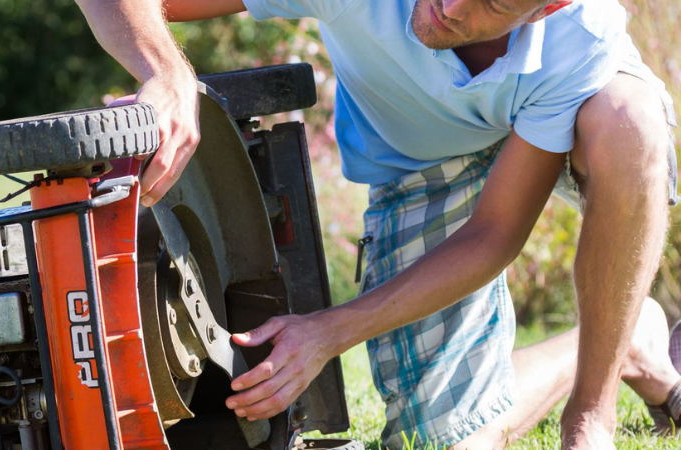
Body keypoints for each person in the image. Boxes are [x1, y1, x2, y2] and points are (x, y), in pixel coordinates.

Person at [74, 0, 681, 448]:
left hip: (549, 126)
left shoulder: (582, 31)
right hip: (423, 163)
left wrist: (331, 330)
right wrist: (169, 73)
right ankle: (624, 339)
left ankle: (591, 413)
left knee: (633, 126)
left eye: (491, 3)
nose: (449, 7)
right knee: (448, 442)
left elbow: (496, 231)